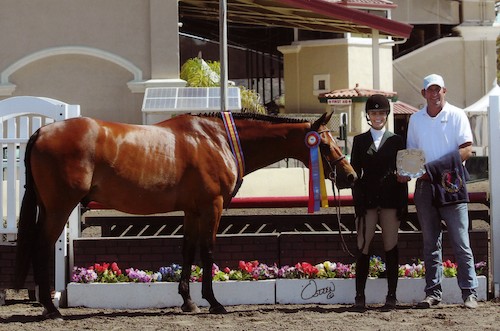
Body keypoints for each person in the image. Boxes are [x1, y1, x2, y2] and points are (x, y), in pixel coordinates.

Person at [406, 74, 479, 309]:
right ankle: (433, 293)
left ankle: (469, 293)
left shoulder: (457, 114)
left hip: (452, 184)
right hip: (425, 187)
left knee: (461, 241)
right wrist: (407, 172)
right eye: (430, 90)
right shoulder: (416, 120)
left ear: (444, 91)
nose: (434, 94)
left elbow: (467, 149)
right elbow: (412, 154)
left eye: (438, 90)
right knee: (430, 243)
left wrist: (435, 169)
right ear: (423, 93)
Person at [350, 94, 408, 309]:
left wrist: (404, 202)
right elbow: (355, 174)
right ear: (368, 115)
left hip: (391, 199)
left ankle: (391, 294)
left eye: (381, 113)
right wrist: (358, 204)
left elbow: (402, 174)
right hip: (367, 201)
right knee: (363, 246)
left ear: (387, 114)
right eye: (374, 113)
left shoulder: (396, 140)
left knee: (390, 245)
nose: (378, 116)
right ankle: (359, 295)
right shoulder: (359, 141)